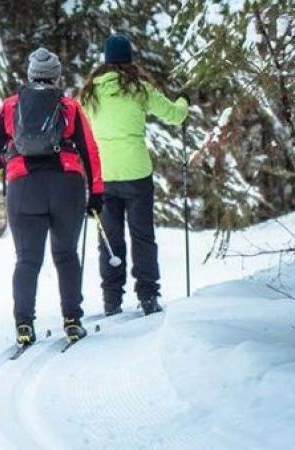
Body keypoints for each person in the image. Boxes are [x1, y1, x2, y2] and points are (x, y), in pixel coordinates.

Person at [0, 47, 104, 345]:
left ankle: (24, 325)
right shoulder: (70, 107)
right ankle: (72, 320)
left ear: (31, 74)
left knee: (27, 259)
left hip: (24, 187)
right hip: (66, 186)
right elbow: (89, 150)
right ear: (56, 76)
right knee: (66, 255)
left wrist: (4, 164)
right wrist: (97, 192)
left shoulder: (11, 105)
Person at [80, 34, 189, 317]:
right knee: (143, 235)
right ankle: (148, 295)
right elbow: (175, 115)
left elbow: (78, 127)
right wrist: (183, 103)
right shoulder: (139, 90)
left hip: (103, 176)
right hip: (137, 173)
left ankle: (112, 299)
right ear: (129, 59)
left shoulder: (90, 94)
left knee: (108, 239)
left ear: (105, 61)